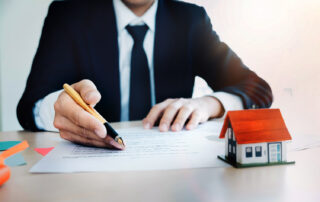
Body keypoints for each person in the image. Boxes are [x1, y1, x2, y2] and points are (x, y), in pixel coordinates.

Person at [17, 0, 273, 150]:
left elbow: (258, 90)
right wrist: (57, 109)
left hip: (174, 171)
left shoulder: (190, 20)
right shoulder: (68, 15)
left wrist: (210, 104)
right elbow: (29, 106)